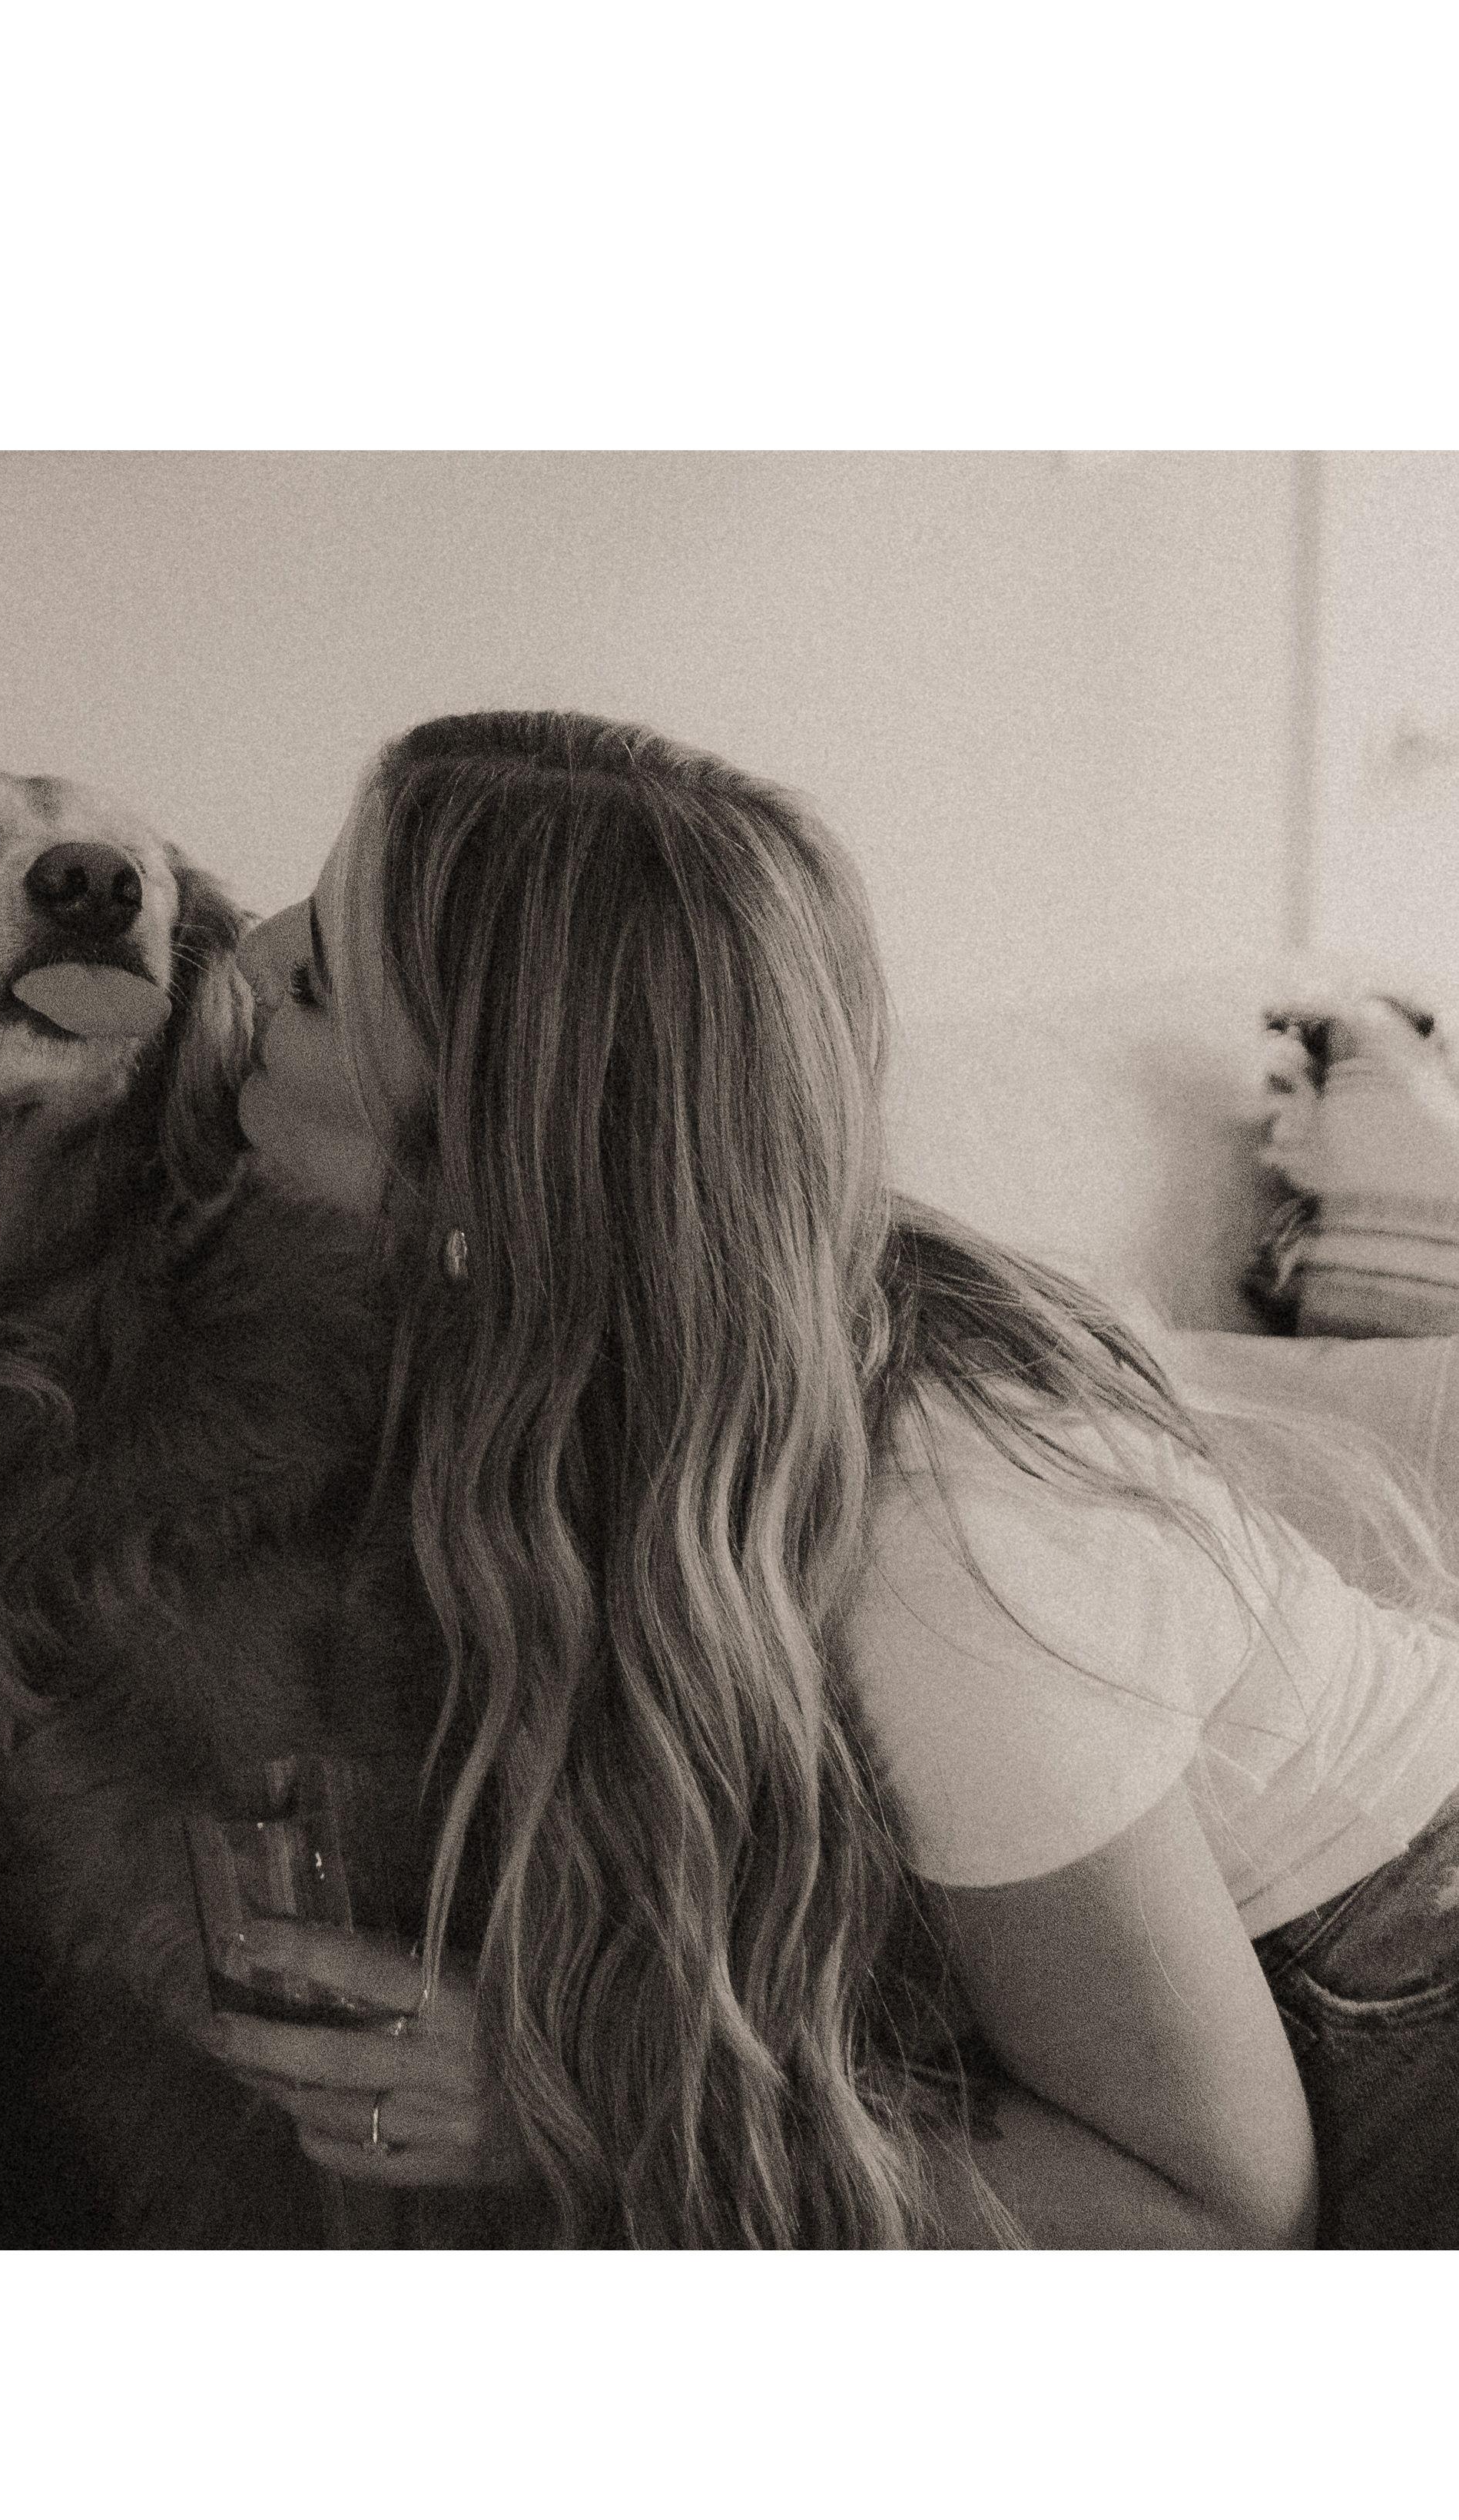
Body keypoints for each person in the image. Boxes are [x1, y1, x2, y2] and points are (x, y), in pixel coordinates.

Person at [214, 708, 1459, 2248]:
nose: (245, 954)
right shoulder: (598, 1380)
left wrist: (569, 2102)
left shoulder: (937, 1541)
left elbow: (1205, 2221)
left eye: (319, 977)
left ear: (490, 1153)